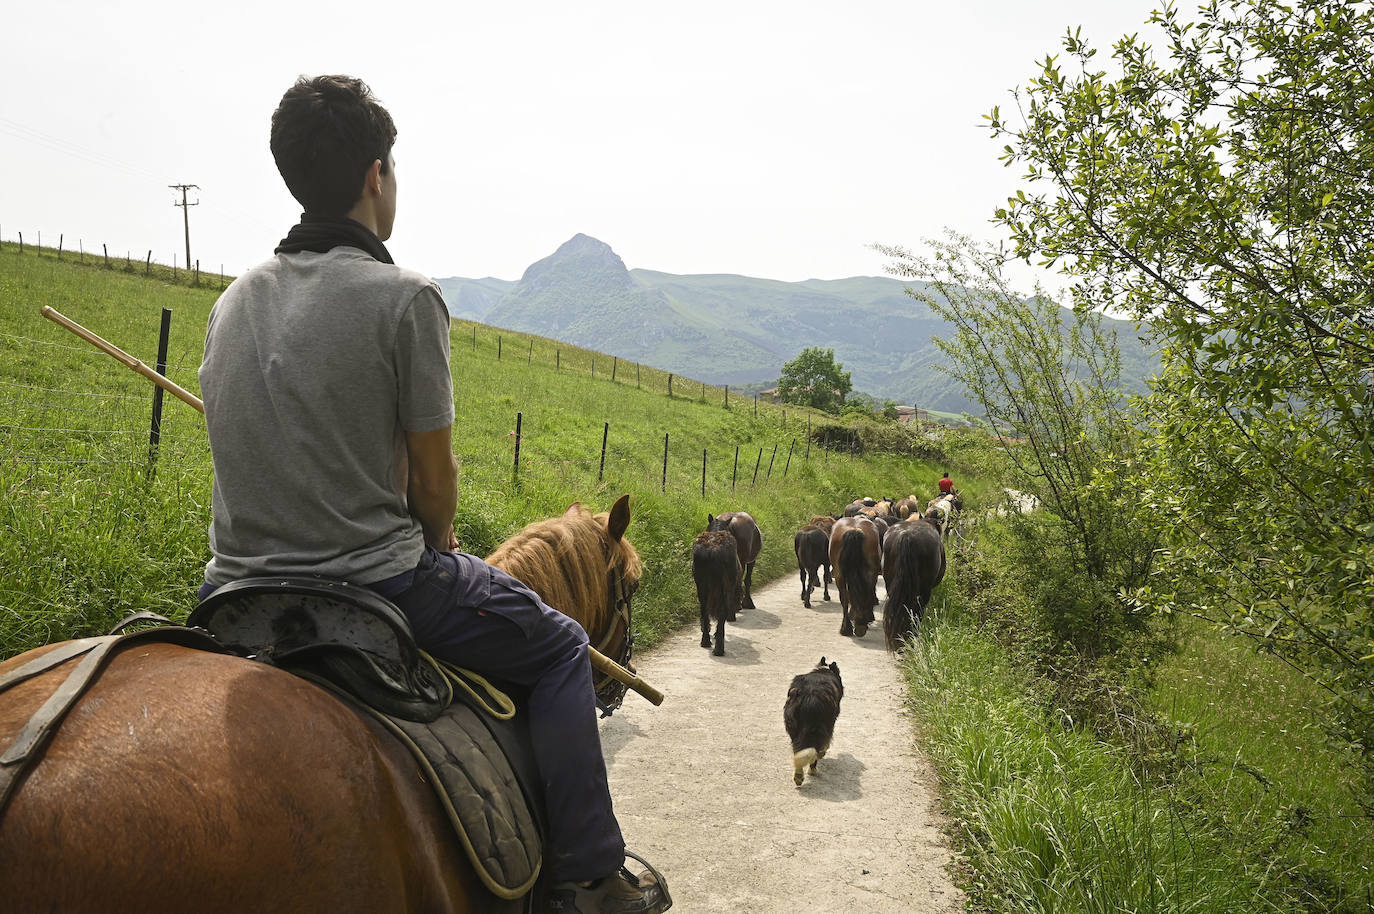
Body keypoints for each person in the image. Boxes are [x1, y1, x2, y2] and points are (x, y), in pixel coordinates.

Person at [196, 74, 669, 914]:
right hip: (377, 584)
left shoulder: (233, 302)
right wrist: (439, 540)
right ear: (377, 176)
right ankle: (592, 879)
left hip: (232, 593)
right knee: (561, 648)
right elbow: (434, 491)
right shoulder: (405, 298)